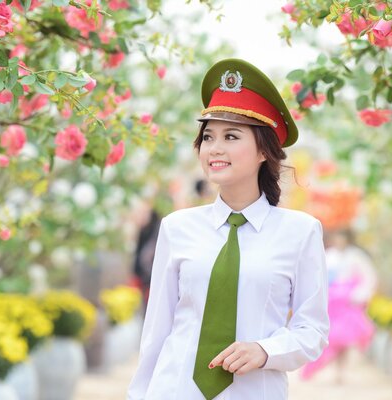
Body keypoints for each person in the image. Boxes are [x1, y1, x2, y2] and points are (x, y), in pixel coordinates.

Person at [127, 58, 329, 400]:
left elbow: (313, 331)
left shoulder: (301, 232)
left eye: (231, 136)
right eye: (208, 137)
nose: (214, 148)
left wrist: (266, 350)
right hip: (175, 390)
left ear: (264, 149)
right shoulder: (177, 228)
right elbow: (157, 331)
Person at [300, 228, 377, 383]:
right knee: (331, 338)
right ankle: (332, 369)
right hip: (331, 304)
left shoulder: (356, 256)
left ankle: (340, 371)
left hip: (347, 304)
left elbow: (368, 277)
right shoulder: (329, 255)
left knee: (343, 339)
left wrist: (358, 295)